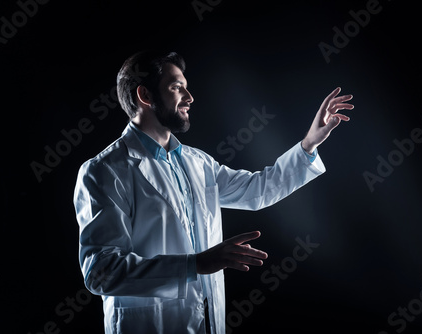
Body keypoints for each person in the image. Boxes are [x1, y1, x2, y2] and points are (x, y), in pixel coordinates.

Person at [73, 50, 354, 334]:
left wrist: (308, 144)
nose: (189, 97)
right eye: (176, 87)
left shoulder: (197, 162)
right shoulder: (105, 170)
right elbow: (101, 272)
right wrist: (195, 264)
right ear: (145, 96)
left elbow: (257, 189)